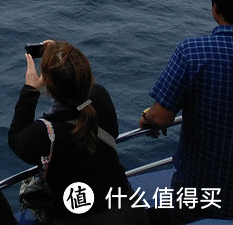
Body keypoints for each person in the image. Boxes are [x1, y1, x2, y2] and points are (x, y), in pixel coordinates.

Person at [8, 40, 145, 224]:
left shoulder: (47, 132)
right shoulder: (100, 97)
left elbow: (16, 140)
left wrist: (31, 90)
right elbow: (77, 82)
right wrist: (60, 53)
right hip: (130, 212)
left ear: (48, 83)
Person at [139, 0, 233, 223]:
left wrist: (146, 118)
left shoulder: (192, 53)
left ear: (215, 8)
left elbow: (160, 118)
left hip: (198, 189)